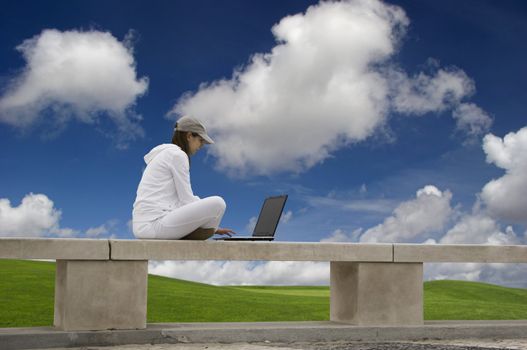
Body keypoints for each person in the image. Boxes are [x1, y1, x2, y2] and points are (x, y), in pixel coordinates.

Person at [132, 116, 235, 240]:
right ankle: (194, 232)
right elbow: (186, 199)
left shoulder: (166, 154)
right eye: (200, 140)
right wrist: (210, 222)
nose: (201, 145)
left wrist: (213, 227)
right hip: (154, 225)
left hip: (145, 225)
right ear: (189, 136)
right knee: (218, 203)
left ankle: (194, 231)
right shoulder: (178, 155)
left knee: (211, 210)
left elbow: (180, 202)